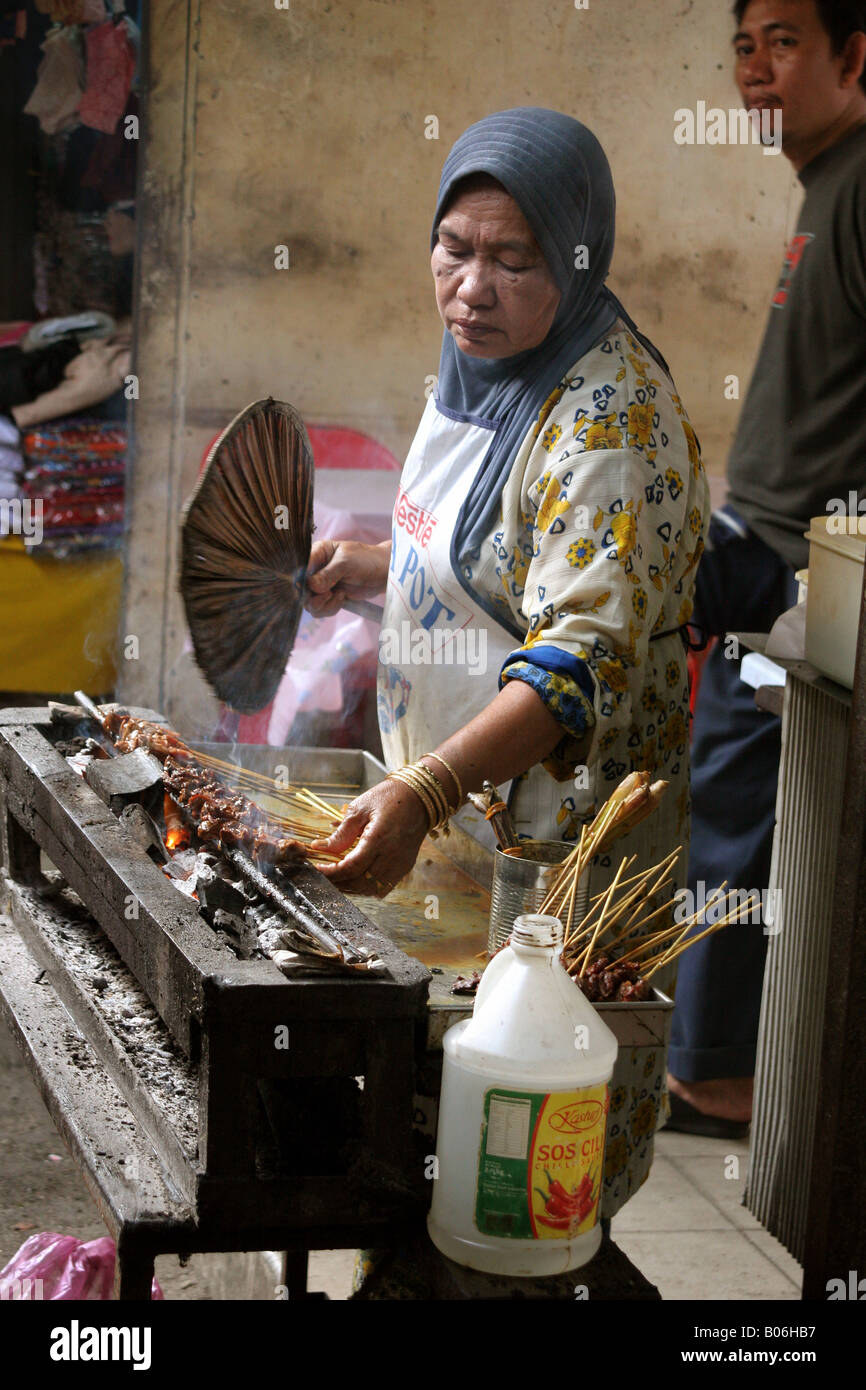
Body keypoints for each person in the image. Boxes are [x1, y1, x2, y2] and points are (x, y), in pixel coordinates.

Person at [307, 107, 708, 930]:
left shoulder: (609, 425)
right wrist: (385, 564)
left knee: (531, 1052)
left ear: (576, 260)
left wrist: (426, 788)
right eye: (454, 248)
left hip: (555, 846)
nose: (471, 288)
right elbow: (514, 546)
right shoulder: (487, 353)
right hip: (454, 818)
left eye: (514, 260)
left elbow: (579, 662)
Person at [666, 0, 866, 1135]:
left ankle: (722, 1080)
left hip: (803, 574)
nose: (752, 71)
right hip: (767, 554)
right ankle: (713, 1069)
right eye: (740, 47)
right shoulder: (825, 187)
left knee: (745, 819)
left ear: (851, 56)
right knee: (734, 813)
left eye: (781, 43)